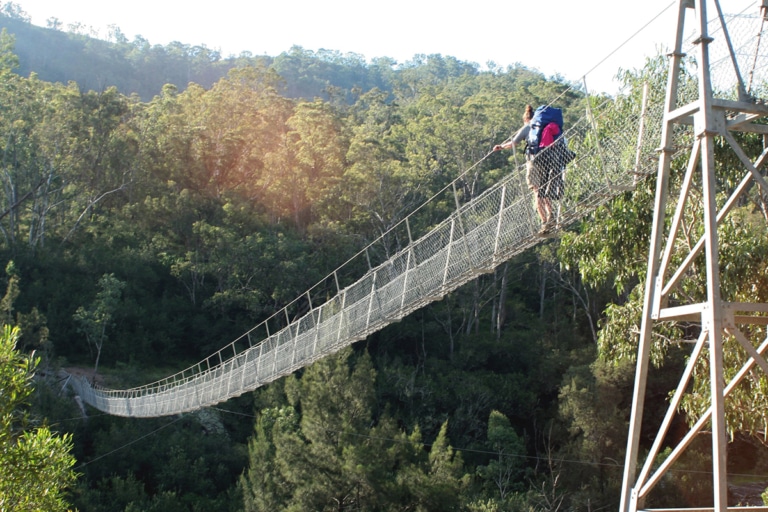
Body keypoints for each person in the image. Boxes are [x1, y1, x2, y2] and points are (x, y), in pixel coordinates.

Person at [493, 104, 567, 235]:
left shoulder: (528, 127)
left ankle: (545, 222)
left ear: (526, 119)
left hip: (534, 162)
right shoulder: (546, 126)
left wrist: (501, 147)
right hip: (548, 161)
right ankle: (551, 214)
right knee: (545, 190)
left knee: (537, 191)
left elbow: (513, 143)